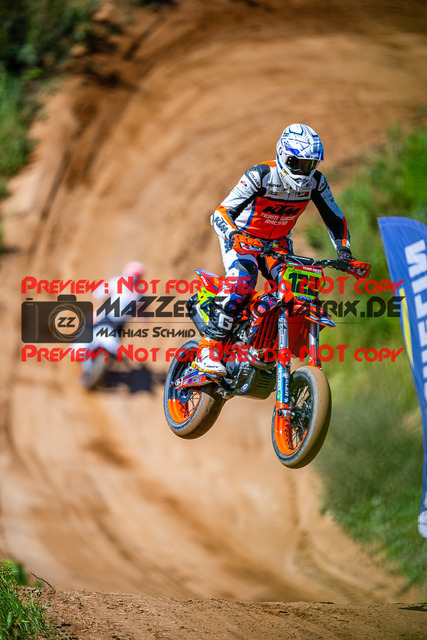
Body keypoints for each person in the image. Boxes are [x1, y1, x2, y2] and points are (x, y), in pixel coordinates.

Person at [194, 123, 353, 376]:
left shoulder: (317, 182)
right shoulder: (260, 175)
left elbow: (335, 218)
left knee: (300, 289)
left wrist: (345, 252)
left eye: (310, 165)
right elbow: (221, 213)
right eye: (297, 163)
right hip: (244, 239)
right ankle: (208, 348)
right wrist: (234, 235)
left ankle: (266, 344)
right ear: (283, 155)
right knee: (242, 282)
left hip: (278, 244)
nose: (304, 171)